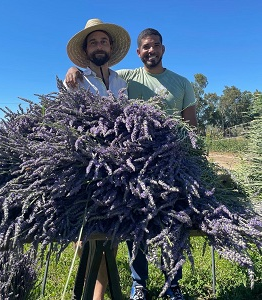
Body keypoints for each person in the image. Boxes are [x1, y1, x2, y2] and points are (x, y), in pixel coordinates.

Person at [65, 28, 197, 300]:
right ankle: (139, 285)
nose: (151, 51)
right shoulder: (125, 77)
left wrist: (192, 158)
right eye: (146, 47)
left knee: (172, 223)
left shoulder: (180, 83)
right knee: (134, 224)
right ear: (138, 52)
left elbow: (191, 127)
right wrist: (72, 69)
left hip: (170, 164)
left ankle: (172, 284)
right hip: (131, 165)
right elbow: (93, 71)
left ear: (163, 49)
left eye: (155, 46)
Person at [64, 18, 131, 300]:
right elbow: (67, 122)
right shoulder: (76, 79)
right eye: (93, 42)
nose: (99, 45)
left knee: (110, 238)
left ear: (110, 46)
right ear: (86, 49)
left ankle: (97, 296)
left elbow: (128, 119)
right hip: (86, 165)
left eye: (103, 41)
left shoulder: (120, 81)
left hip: (118, 165)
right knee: (87, 241)